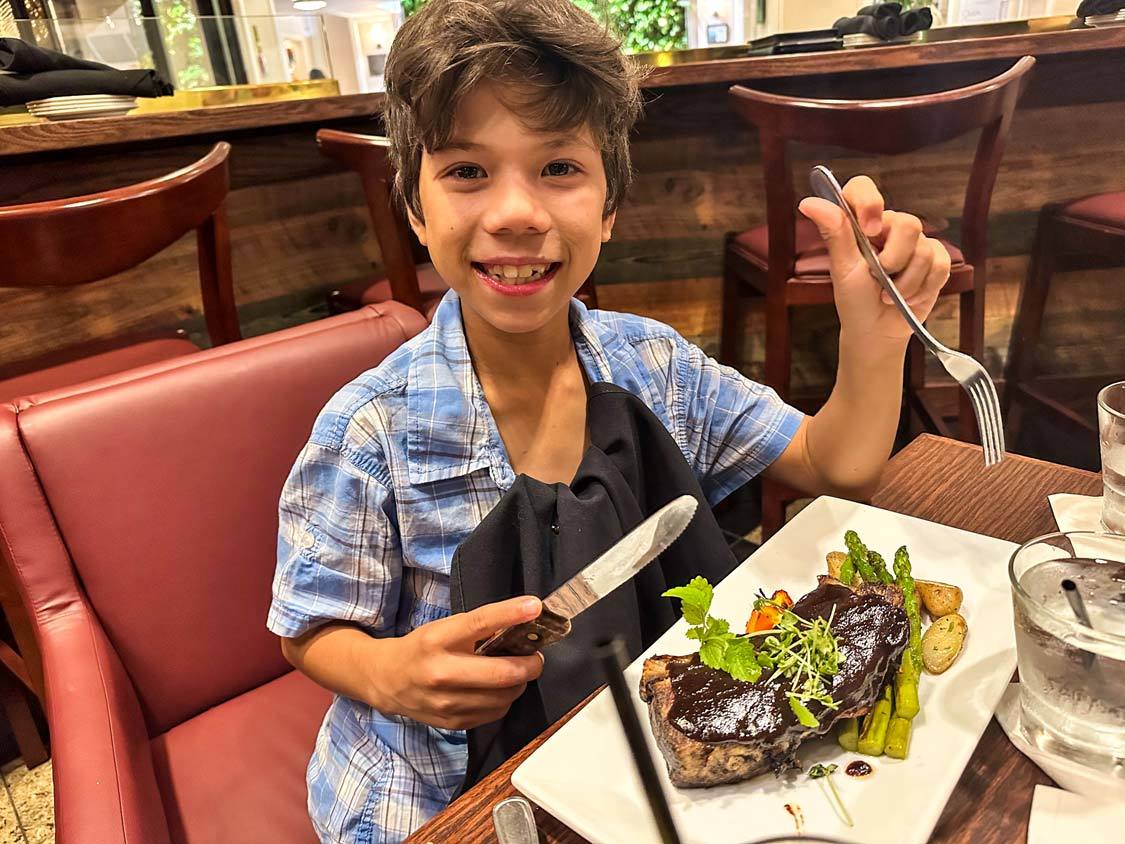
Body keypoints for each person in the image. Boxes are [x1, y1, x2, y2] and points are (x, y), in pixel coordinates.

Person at [267, 1, 951, 841]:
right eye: (466, 172)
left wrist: (871, 343)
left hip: (637, 758)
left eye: (558, 168)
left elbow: (834, 464)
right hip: (439, 795)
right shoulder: (368, 434)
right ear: (414, 206)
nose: (516, 211)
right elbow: (309, 629)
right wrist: (387, 672)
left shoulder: (653, 367)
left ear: (611, 204)